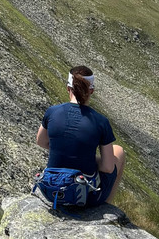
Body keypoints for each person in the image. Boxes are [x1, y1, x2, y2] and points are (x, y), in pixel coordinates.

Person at [35, 65, 125, 206]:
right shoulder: (100, 121)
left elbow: (41, 141)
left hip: (51, 192)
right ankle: (105, 205)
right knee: (118, 151)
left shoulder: (52, 112)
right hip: (85, 198)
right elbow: (107, 167)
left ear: (68, 88)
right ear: (92, 91)